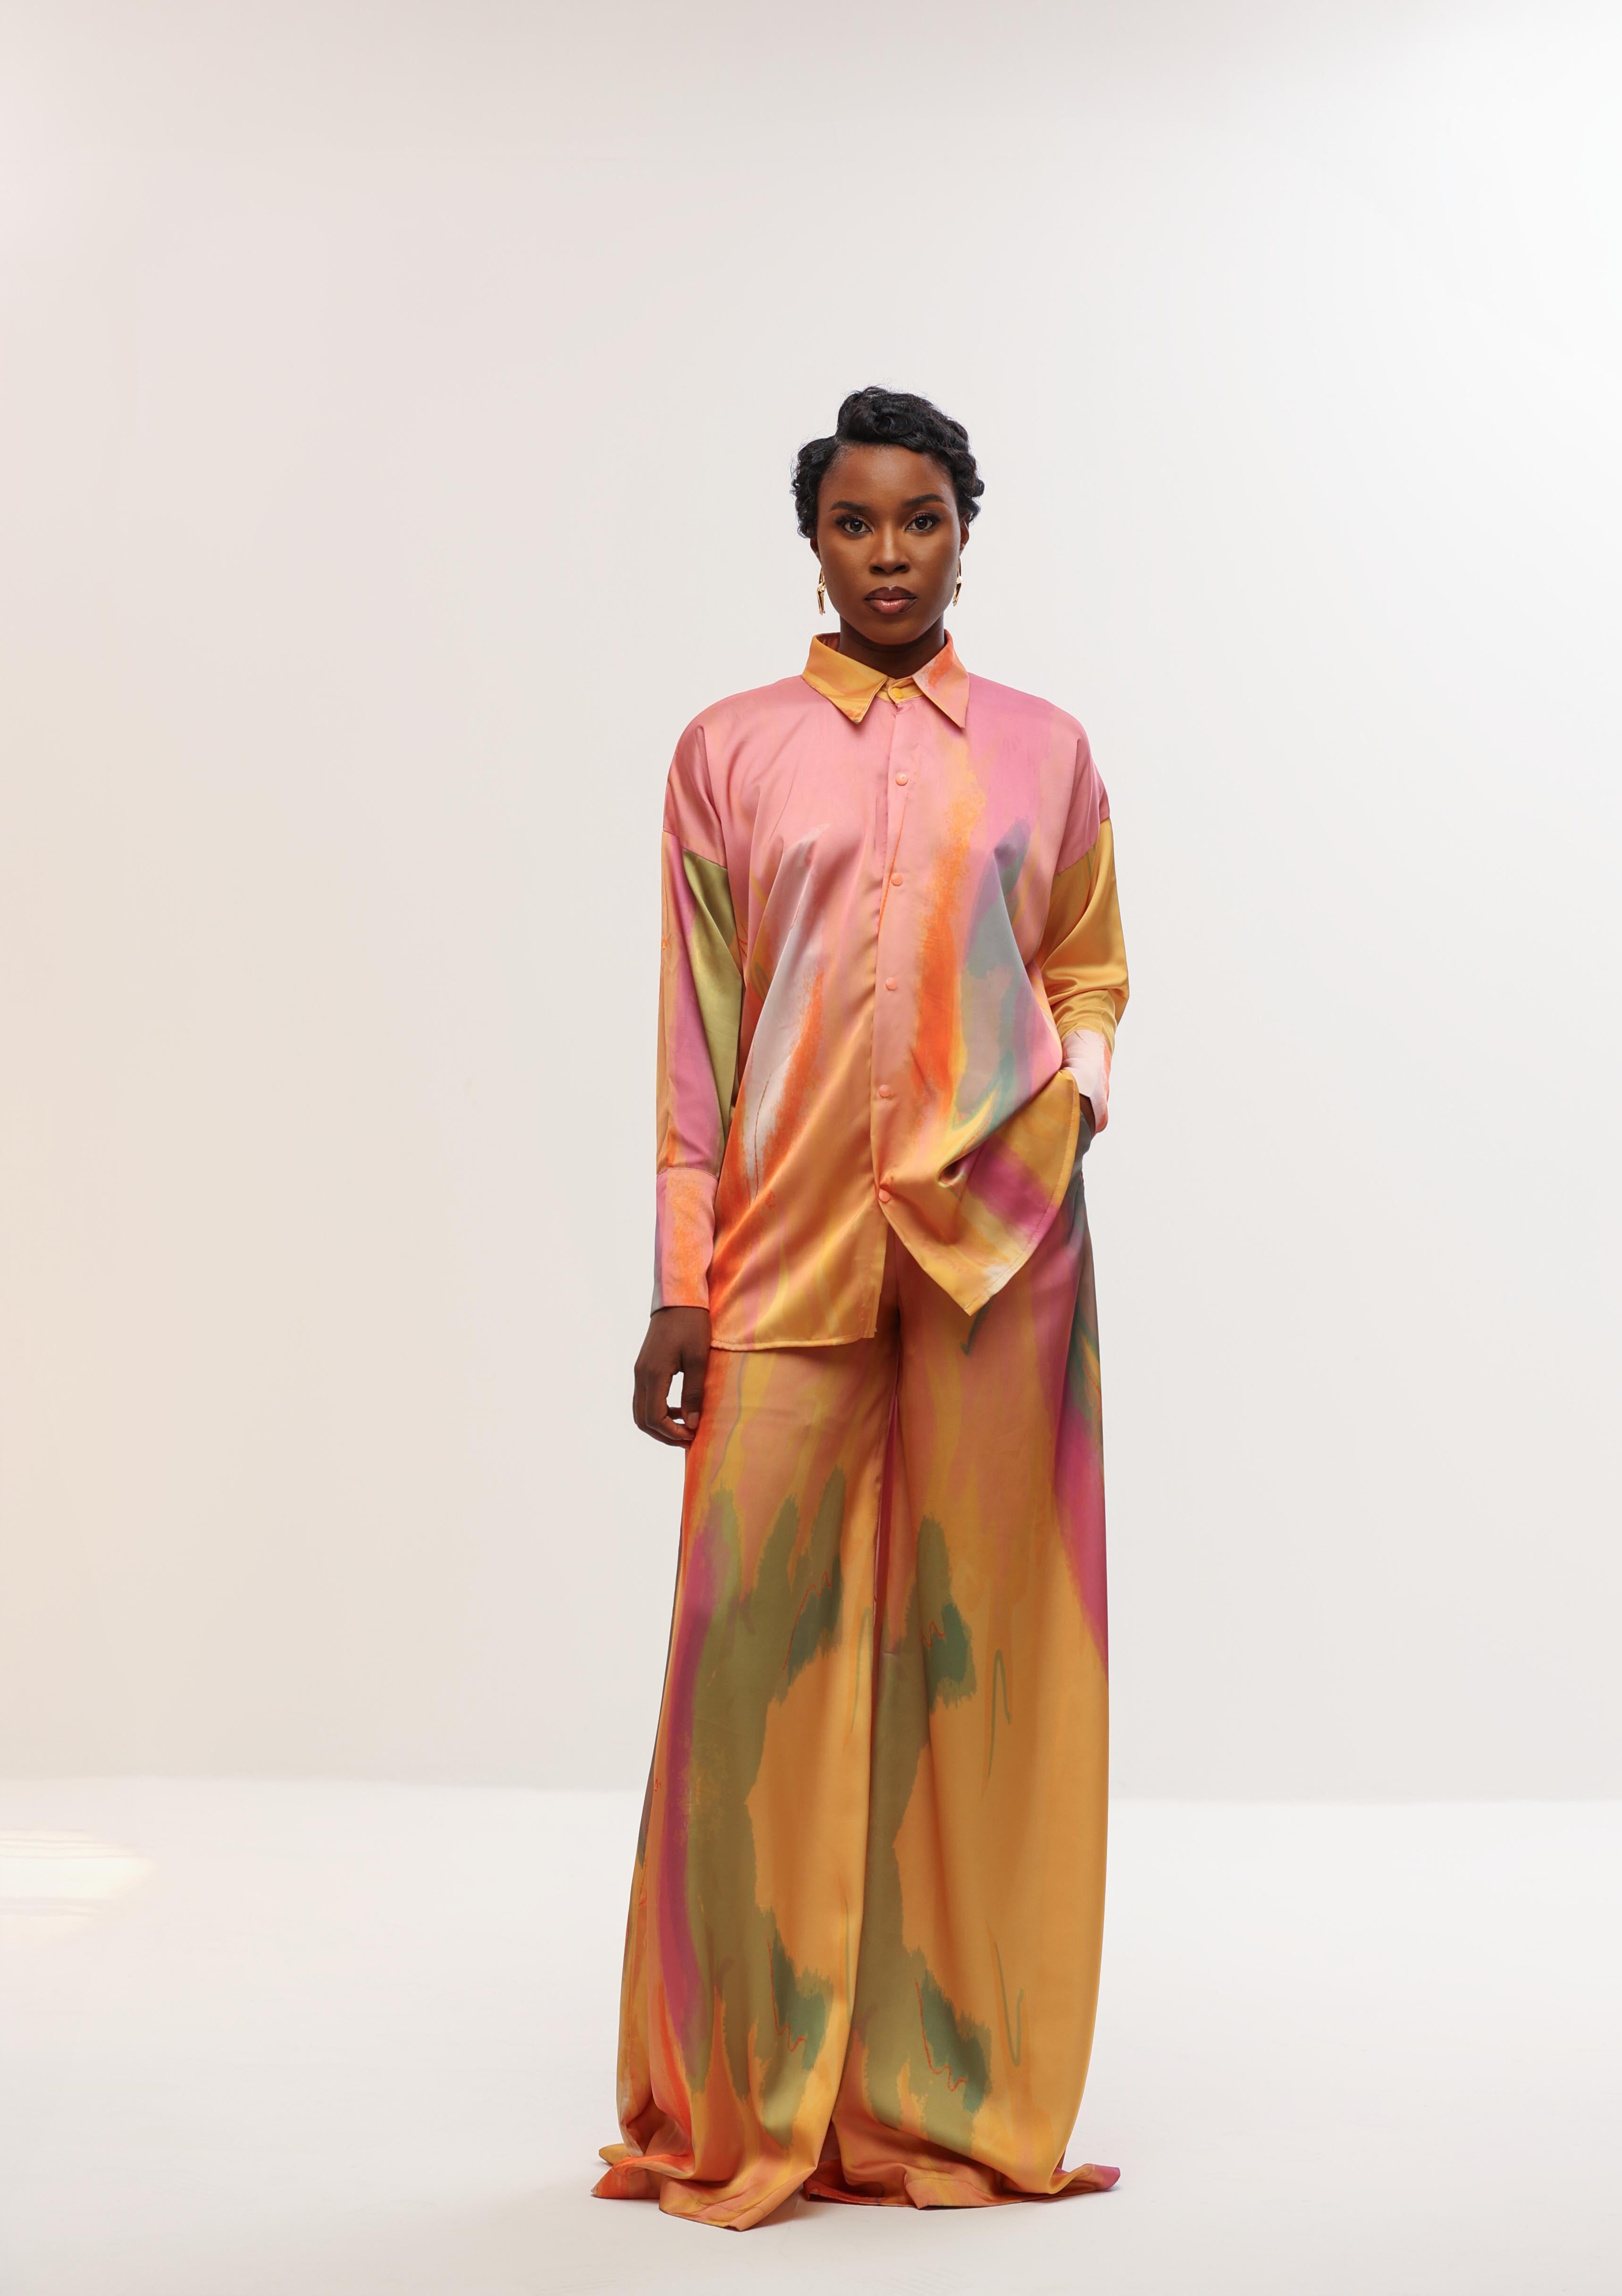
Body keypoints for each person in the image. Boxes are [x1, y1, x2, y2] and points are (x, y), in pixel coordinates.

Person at [595, 387, 1129, 2229]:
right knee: (750, 1670)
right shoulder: (728, 751)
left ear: (966, 534)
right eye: (854, 522)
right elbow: (700, 1024)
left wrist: (1070, 1106)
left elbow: (1089, 963)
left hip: (1003, 1257)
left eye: (920, 521)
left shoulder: (1049, 750)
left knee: (989, 1672)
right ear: (811, 541)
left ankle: (954, 2093)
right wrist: (682, 1281)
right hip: (787, 1253)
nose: (888, 554)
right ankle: (744, 2091)